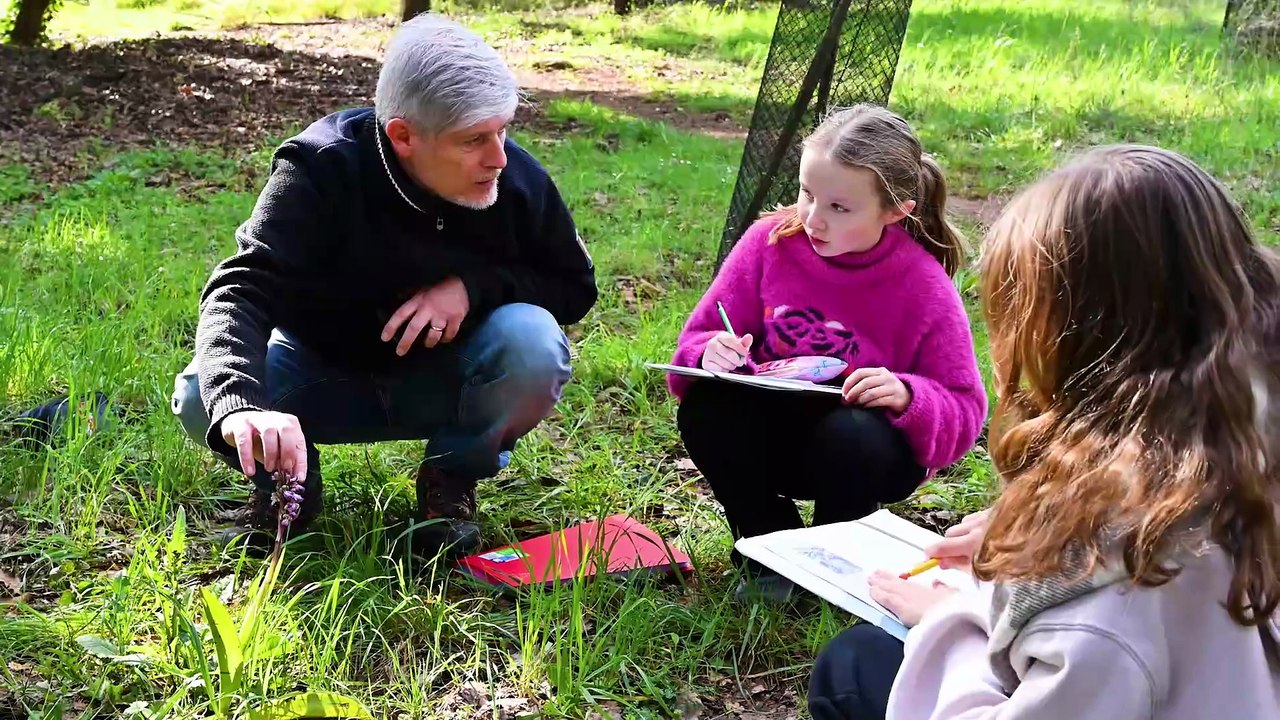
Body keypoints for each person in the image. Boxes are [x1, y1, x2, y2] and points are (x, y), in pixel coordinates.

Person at [807, 144, 1280, 719]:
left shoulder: (1116, 609)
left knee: (854, 665)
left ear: (1072, 348)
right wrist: (1036, 536)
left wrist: (950, 625)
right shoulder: (1235, 447)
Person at [170, 13, 597, 559]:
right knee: (202, 398)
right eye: (472, 140)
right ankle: (291, 475)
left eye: (503, 130)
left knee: (533, 342)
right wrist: (243, 407)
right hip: (319, 371)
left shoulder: (513, 179)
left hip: (451, 378)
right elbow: (241, 288)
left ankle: (450, 481)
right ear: (403, 136)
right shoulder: (322, 169)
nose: (497, 157)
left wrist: (472, 287)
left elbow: (575, 286)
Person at [667, 104, 987, 603]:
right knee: (706, 409)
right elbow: (695, 342)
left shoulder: (923, 284)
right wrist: (711, 354)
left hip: (864, 453)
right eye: (806, 195)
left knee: (850, 430)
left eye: (839, 208)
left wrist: (908, 395)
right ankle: (768, 550)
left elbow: (965, 408)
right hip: (771, 438)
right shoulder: (768, 242)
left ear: (895, 211)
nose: (813, 220)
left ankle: (839, 563)